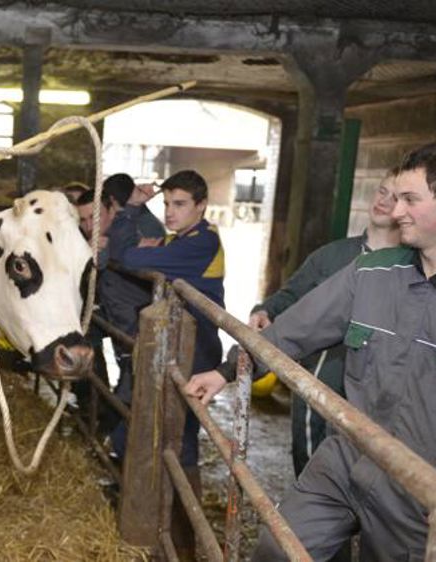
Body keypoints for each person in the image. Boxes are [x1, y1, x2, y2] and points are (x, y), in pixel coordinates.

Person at [185, 143, 436, 560]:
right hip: (347, 456)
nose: (396, 212)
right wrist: (227, 371)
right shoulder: (371, 272)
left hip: (417, 485)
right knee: (279, 548)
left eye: (411, 200)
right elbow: (292, 332)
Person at [249, 173, 400, 477]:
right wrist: (265, 310)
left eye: (397, 197)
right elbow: (292, 293)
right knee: (310, 461)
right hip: (323, 375)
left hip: (376, 390)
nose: (384, 200)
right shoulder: (333, 255)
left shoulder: (412, 267)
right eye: (382, 191)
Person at [108, 170, 224, 468]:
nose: (170, 212)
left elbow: (125, 257)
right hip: (179, 344)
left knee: (180, 437)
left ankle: (182, 511)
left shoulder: (200, 244)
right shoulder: (178, 241)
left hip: (196, 349)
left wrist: (130, 211)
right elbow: (122, 255)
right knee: (154, 429)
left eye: (180, 204)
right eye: (167, 204)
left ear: (201, 205)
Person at [71, 174, 164, 433]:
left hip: (136, 324)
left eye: (95, 218)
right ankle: (95, 412)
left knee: (133, 385)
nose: (89, 226)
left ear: (112, 208)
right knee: (82, 341)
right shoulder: (103, 234)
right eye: (84, 220)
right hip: (114, 317)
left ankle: (118, 438)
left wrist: (105, 250)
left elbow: (126, 258)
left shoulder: (141, 227)